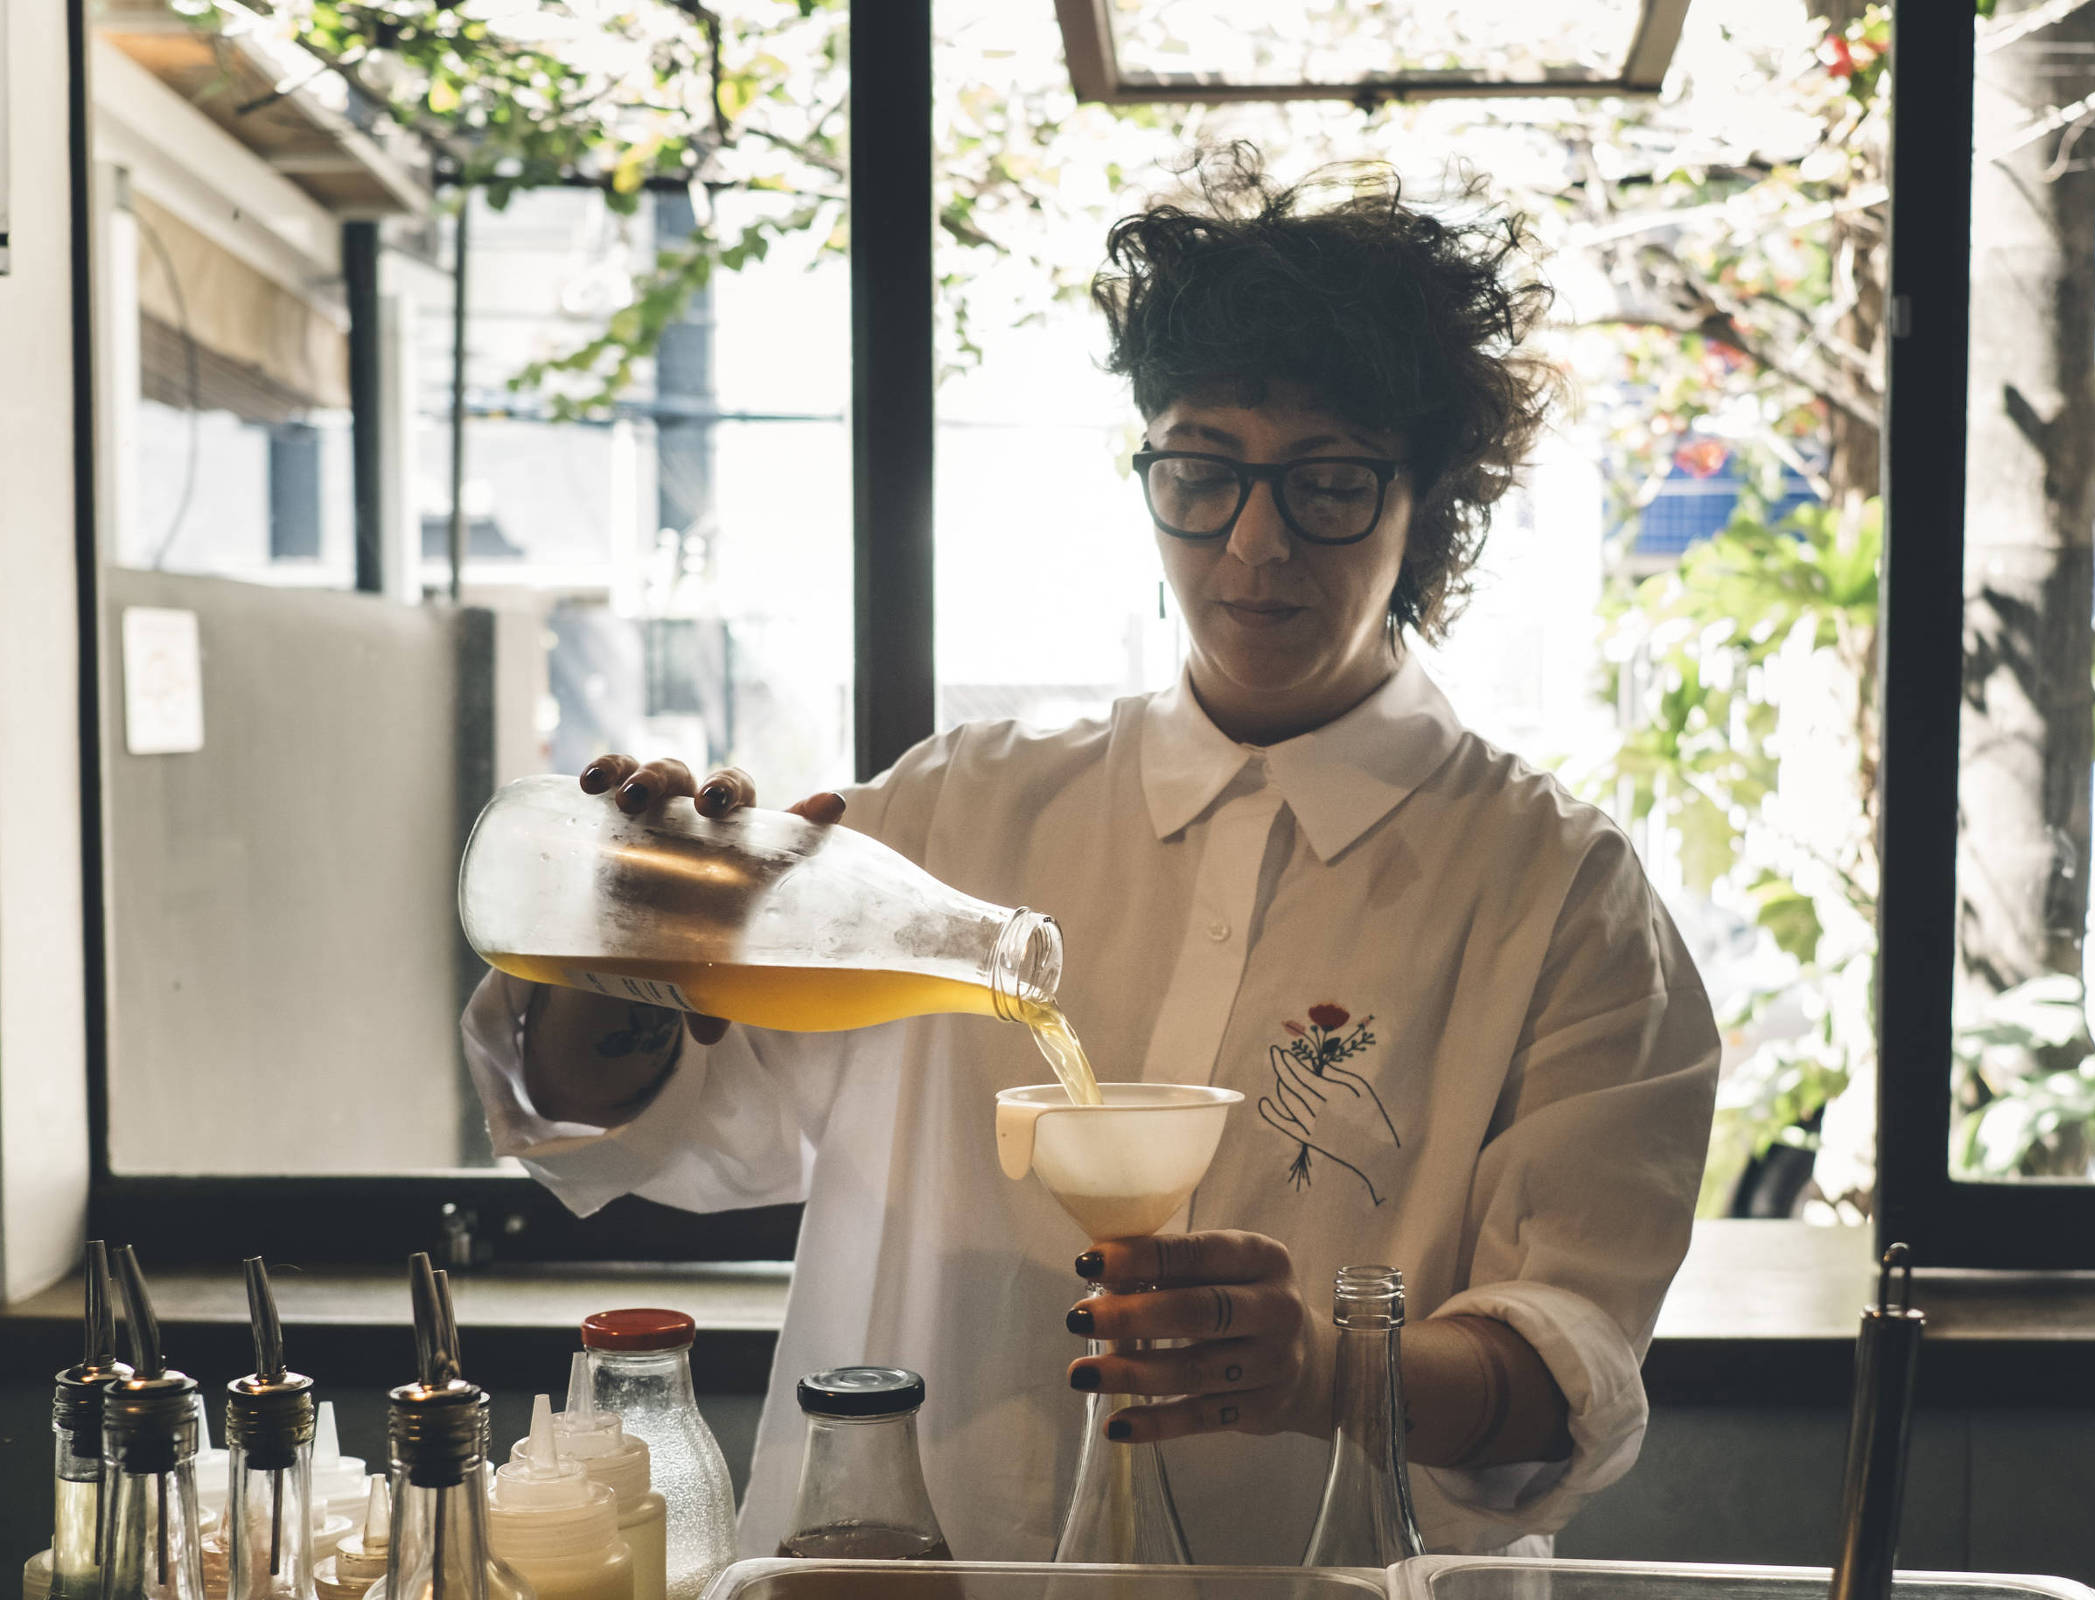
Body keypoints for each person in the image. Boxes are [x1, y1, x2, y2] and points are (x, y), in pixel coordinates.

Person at [463, 150, 1719, 1563]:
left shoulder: (1559, 896)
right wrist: (624, 949)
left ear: (1428, 499)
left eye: (1327, 483)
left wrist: (1322, 1373)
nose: (1253, 543)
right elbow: (665, 1124)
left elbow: (1569, 1368)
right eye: (1202, 472)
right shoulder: (956, 812)